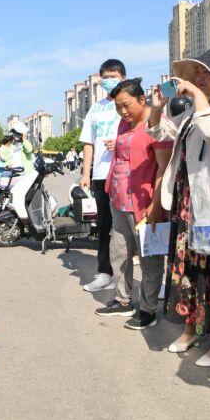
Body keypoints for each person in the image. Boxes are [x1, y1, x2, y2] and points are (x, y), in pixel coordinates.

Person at [148, 46, 210, 367]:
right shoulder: (195, 109)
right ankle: (191, 328)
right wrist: (156, 109)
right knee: (188, 270)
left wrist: (198, 98)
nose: (199, 78)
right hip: (187, 201)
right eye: (198, 73)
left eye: (206, 72)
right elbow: (162, 131)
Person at [93, 79, 172, 329]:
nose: (122, 111)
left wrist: (156, 203)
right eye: (118, 107)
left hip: (143, 202)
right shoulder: (123, 124)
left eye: (126, 105)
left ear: (142, 99)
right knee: (119, 251)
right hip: (118, 198)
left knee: (149, 258)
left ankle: (148, 309)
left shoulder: (156, 123)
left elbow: (164, 167)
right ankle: (123, 299)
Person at [80, 59, 125, 292]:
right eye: (105, 77)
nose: (109, 81)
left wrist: (120, 143)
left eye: (113, 76)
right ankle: (105, 273)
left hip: (125, 173)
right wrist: (85, 173)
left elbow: (142, 133)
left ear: (123, 78)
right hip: (100, 174)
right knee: (105, 225)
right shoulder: (95, 109)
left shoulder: (129, 103)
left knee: (129, 226)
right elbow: (88, 142)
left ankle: (137, 276)